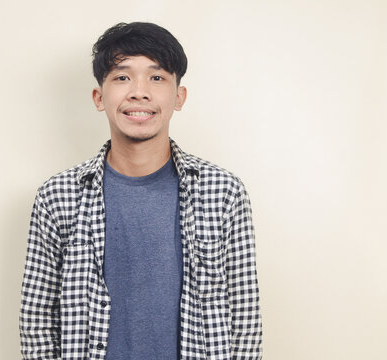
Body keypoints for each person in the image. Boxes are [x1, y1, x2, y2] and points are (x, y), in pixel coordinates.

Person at [20, 22, 262, 360]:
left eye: (157, 77)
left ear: (179, 97)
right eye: (122, 77)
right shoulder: (58, 196)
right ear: (98, 97)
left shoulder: (223, 193)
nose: (139, 92)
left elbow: (245, 317)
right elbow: (37, 320)